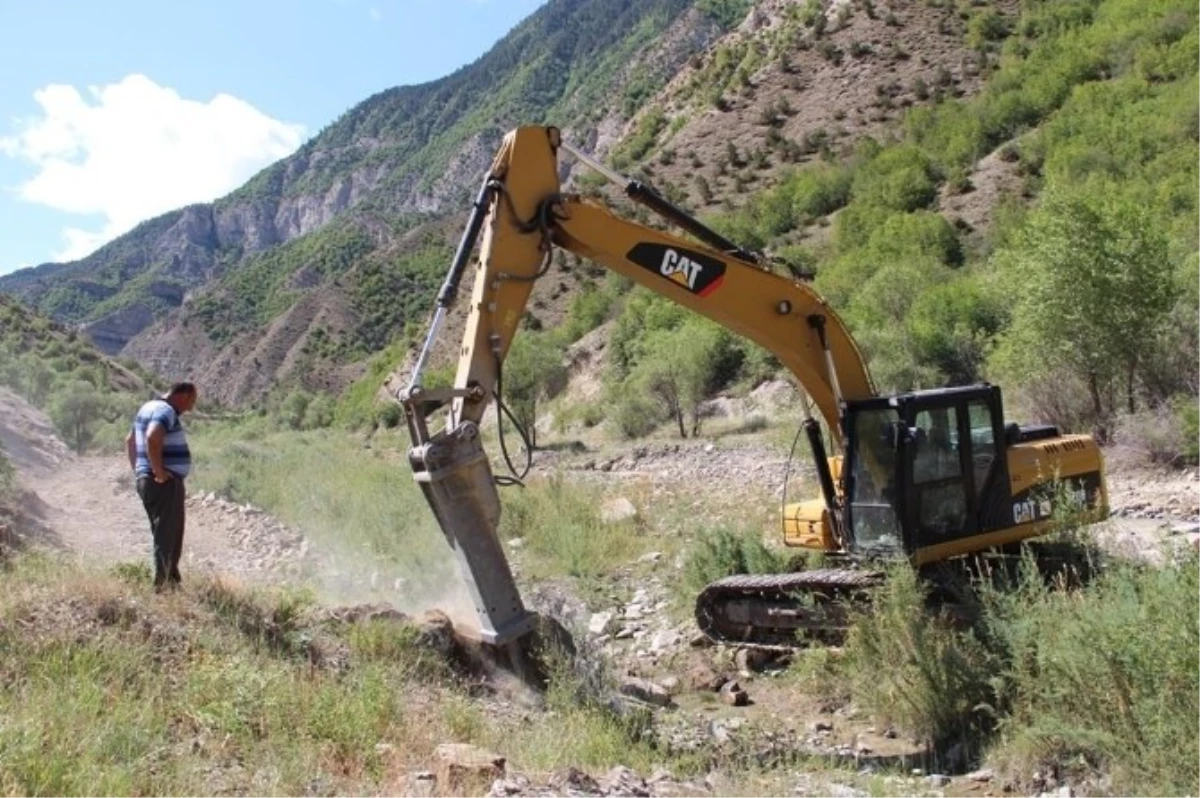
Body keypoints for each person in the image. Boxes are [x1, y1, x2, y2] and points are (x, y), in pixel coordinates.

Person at [125, 382, 198, 590]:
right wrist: (158, 472)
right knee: (169, 535)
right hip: (164, 483)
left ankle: (171, 581)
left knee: (164, 533)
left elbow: (130, 440)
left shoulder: (147, 407)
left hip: (148, 480)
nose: (190, 408)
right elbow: (153, 436)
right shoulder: (165, 410)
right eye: (191, 401)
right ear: (183, 395)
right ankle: (164, 587)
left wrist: (139, 471)